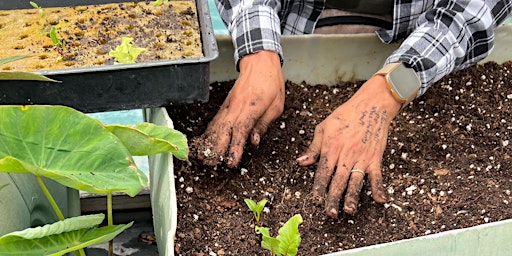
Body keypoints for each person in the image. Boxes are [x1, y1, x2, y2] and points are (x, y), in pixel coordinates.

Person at [194, 0, 512, 219]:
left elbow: (473, 8)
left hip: (427, 42)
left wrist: (389, 90)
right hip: (290, 27)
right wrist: (258, 53)